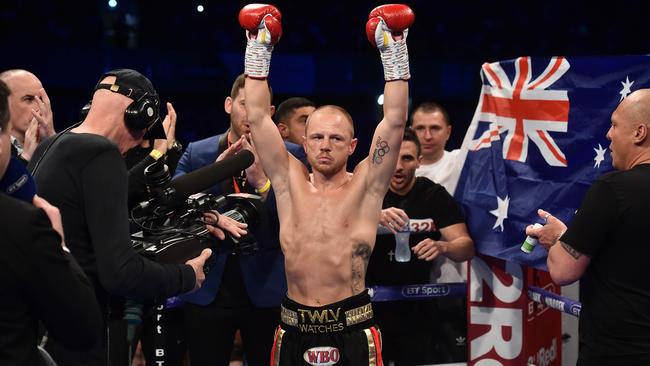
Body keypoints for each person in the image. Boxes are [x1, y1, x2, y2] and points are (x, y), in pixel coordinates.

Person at [26, 69, 238, 366]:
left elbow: (89, 232)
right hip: (77, 331)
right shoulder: (101, 154)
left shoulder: (53, 144)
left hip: (40, 324)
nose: (140, 140)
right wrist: (187, 276)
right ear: (137, 114)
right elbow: (119, 272)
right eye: (144, 128)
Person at [239, 3, 413, 364]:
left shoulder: (367, 186)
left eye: (336, 139)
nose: (325, 145)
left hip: (352, 325)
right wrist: (259, 47)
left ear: (352, 146)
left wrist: (393, 49)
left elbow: (395, 121)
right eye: (317, 137)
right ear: (304, 142)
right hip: (293, 325)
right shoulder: (288, 181)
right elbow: (257, 115)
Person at [175, 73, 306, 365]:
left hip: (269, 287)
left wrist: (264, 184)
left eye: (260, 107)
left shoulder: (293, 156)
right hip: (208, 285)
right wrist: (209, 191)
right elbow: (173, 205)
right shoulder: (199, 153)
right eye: (245, 104)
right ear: (228, 104)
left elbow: (302, 216)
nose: (251, 114)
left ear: (271, 112)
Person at [527, 89, 650, 365]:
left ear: (639, 132)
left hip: (619, 353)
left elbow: (562, 270)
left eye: (615, 125)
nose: (608, 134)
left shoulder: (612, 189)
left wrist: (559, 237)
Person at [0, 79, 103, 365]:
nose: (39, 108)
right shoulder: (23, 219)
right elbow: (82, 326)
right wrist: (59, 246)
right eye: (29, 99)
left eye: (43, 98)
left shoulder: (62, 150)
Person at [366, 128, 474, 365]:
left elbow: (465, 246)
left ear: (419, 161)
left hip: (417, 307)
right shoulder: (367, 192)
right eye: (393, 158)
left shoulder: (433, 194)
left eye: (406, 158)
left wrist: (443, 247)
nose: (398, 167)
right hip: (369, 305)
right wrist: (371, 216)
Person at [0, 69, 56, 163]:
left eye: (41, 99)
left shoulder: (51, 144)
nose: (39, 107)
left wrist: (52, 139)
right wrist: (26, 158)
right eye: (28, 99)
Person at [411, 101, 462, 195]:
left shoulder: (461, 161)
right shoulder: (397, 168)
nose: (428, 136)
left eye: (435, 128)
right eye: (420, 128)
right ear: (411, 132)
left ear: (448, 132)